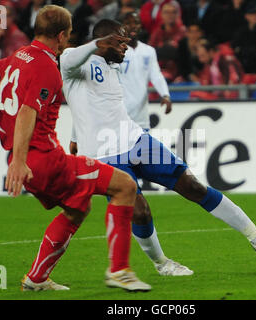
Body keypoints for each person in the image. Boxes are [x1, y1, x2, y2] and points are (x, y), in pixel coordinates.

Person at [63, 19, 256, 279]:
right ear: (107, 41)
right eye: (122, 43)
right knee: (139, 210)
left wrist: (74, 133)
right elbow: (70, 63)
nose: (126, 48)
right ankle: (162, 263)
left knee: (193, 186)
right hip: (104, 154)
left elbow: (91, 104)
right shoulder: (73, 57)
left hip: (136, 140)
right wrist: (98, 44)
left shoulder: (111, 67)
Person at [0, 5, 150, 292]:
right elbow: (28, 111)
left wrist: (16, 157)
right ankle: (120, 270)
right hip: (44, 160)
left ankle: (37, 279)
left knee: (77, 209)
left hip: (25, 158)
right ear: (62, 35)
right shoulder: (47, 67)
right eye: (69, 35)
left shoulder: (18, 56)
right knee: (125, 186)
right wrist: (21, 161)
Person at [64, 18, 192, 276]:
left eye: (129, 33)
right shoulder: (83, 61)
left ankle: (129, 268)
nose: (126, 42)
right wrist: (77, 135)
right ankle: (132, 267)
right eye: (121, 38)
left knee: (178, 187)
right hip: (103, 148)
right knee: (126, 207)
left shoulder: (136, 55)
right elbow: (86, 104)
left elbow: (106, 102)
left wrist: (165, 93)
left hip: (135, 131)